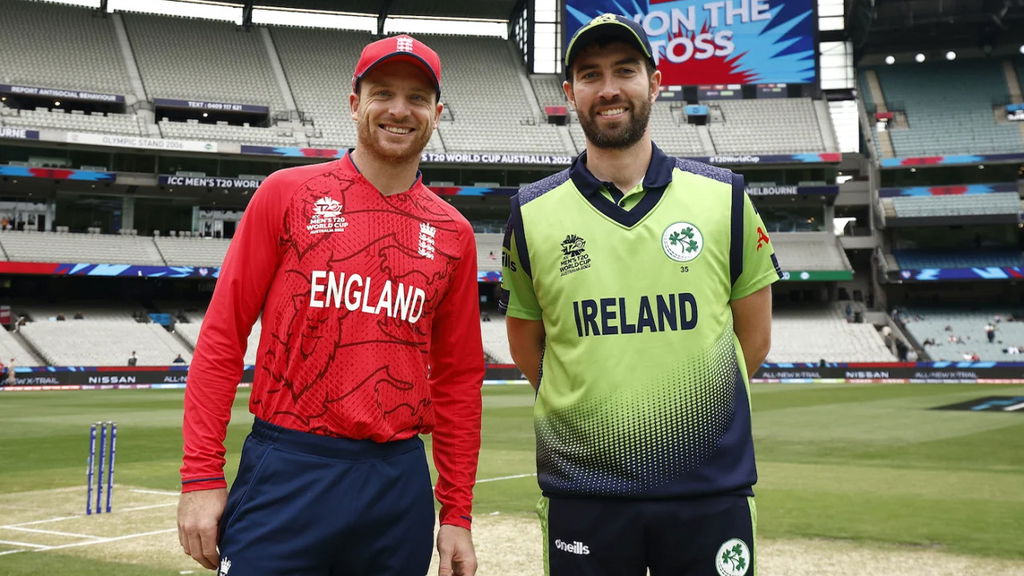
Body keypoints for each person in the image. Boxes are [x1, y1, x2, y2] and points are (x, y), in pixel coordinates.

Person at [177, 34, 484, 576]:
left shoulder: (453, 231)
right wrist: (201, 477)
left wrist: (456, 511)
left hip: (396, 481)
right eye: (382, 92)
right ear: (353, 104)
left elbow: (459, 379)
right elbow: (223, 336)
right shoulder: (286, 193)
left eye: (416, 98)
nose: (398, 109)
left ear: (436, 113)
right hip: (290, 466)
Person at [500, 14, 781, 576]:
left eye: (625, 70)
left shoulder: (724, 197)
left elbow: (753, 339)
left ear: (655, 83)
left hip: (708, 489)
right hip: (584, 492)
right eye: (590, 74)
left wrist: (692, 413)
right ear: (570, 93)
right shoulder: (531, 211)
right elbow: (528, 346)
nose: (608, 88)